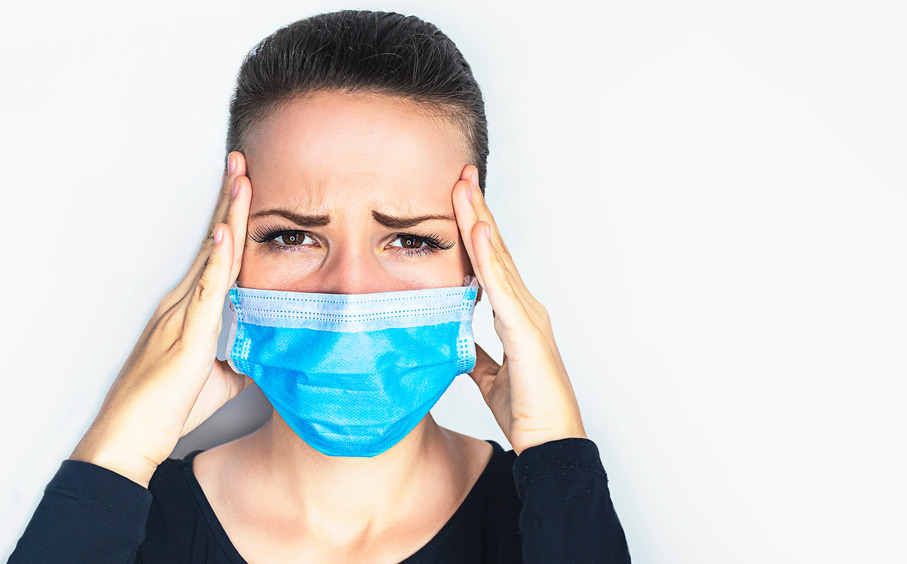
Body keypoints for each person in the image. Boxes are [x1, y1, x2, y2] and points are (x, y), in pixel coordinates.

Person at [10, 9, 630, 563]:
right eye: (291, 237)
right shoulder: (131, 528)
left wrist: (557, 450)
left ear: (476, 270)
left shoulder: (550, 525)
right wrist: (120, 447)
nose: (350, 293)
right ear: (228, 260)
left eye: (412, 240)